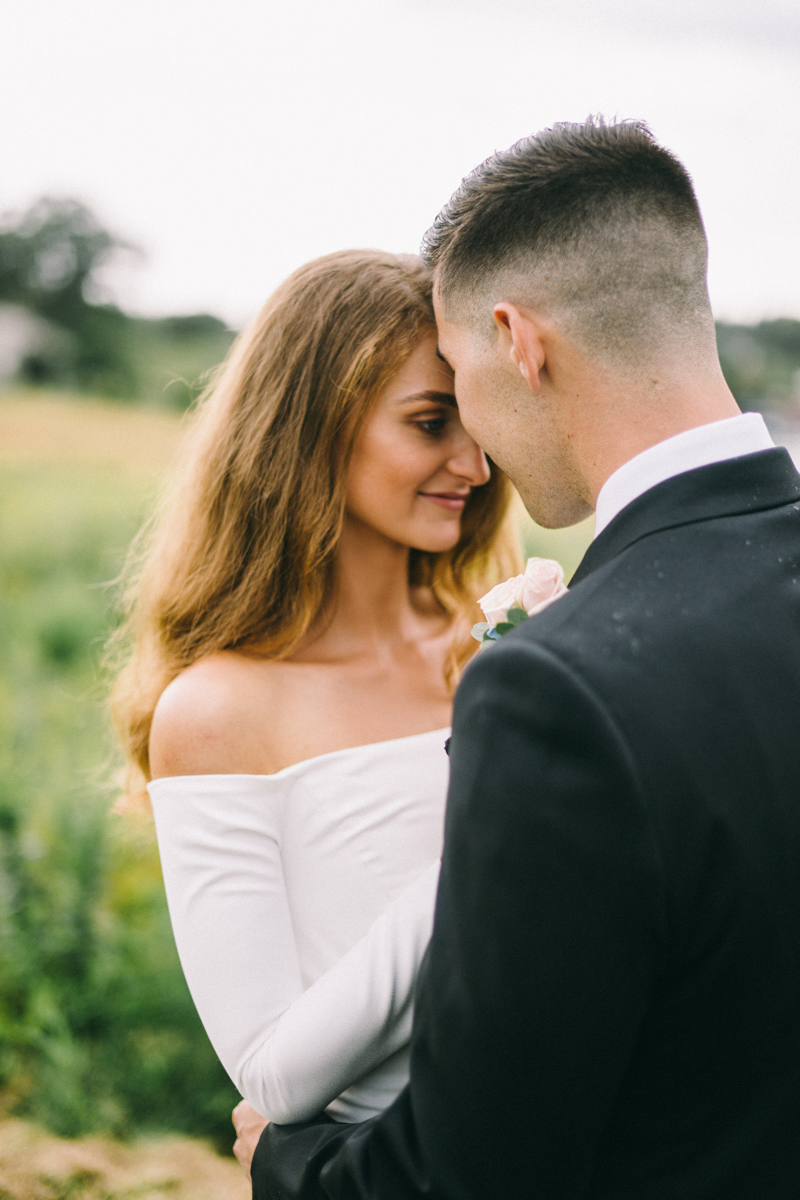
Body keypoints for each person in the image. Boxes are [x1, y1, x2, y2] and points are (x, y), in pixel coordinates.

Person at [244, 118, 800, 1198]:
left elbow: (472, 1174)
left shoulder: (560, 690)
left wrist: (287, 1161)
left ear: (516, 340)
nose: (471, 440)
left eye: (457, 378)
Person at [110, 250, 520, 1129]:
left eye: (476, 422)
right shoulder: (219, 713)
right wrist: (503, 825)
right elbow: (274, 1078)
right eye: (428, 423)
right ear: (314, 423)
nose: (475, 466)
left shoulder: (491, 649)